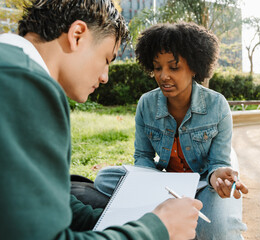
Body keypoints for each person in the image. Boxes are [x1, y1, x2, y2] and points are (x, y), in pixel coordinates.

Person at [0, 1, 203, 239]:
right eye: (107, 59)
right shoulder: (26, 82)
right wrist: (158, 229)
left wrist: (122, 222)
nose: (105, 77)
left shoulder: (12, 67)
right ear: (77, 35)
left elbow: (47, 203)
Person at [94, 22, 249, 239]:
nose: (163, 76)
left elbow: (218, 163)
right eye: (158, 67)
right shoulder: (146, 104)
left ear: (194, 67)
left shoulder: (217, 105)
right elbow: (143, 157)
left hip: (204, 181)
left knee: (215, 230)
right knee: (105, 178)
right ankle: (173, 200)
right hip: (166, 181)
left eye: (173, 67)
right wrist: (151, 184)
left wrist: (217, 177)